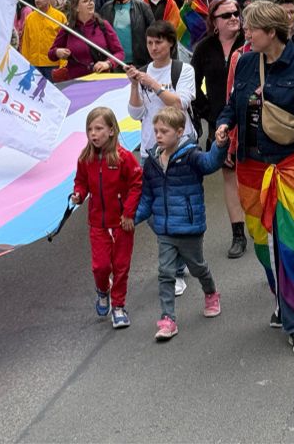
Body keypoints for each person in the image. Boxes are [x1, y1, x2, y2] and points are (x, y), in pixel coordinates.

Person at [216, 1, 294, 355]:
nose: (244, 34)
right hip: (253, 166)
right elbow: (232, 104)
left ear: (272, 32)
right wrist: (224, 124)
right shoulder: (246, 62)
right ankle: (281, 297)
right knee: (265, 245)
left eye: (251, 29)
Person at [134, 105, 227, 340]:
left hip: (189, 226)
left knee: (197, 267)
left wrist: (220, 145)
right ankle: (168, 319)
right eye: (156, 131)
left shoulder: (191, 156)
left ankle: (211, 292)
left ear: (179, 131)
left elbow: (210, 164)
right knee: (165, 273)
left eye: (164, 131)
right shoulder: (152, 163)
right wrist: (130, 218)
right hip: (164, 228)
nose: (158, 136)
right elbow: (147, 196)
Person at [71, 107, 142, 329]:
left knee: (121, 266)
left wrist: (129, 213)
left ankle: (119, 306)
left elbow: (136, 184)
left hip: (122, 223)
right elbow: (81, 181)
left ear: (111, 130)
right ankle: (103, 290)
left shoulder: (124, 158)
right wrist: (79, 194)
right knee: (101, 267)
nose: (94, 133)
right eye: (90, 129)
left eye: (99, 128)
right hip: (98, 224)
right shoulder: (85, 158)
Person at [191, 0, 248, 258]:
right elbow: (193, 86)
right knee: (229, 177)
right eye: (226, 15)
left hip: (251, 120)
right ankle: (238, 234)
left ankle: (266, 224)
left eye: (236, 13)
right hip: (220, 125)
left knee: (255, 174)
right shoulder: (204, 48)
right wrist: (209, 114)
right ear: (214, 22)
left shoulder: (250, 42)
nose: (234, 17)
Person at [126, 21, 196, 159]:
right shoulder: (142, 73)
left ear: (171, 43)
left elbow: (179, 104)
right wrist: (134, 86)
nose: (153, 48)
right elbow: (136, 114)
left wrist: (153, 84)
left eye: (158, 42)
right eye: (149, 43)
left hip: (181, 147)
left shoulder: (184, 70)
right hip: (150, 150)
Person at [49, 0, 124, 81]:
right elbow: (51, 54)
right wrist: (57, 52)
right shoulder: (67, 29)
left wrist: (108, 63)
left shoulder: (103, 25)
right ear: (76, 8)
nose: (90, 3)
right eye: (85, 1)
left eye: (91, 0)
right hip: (75, 81)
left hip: (101, 80)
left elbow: (119, 53)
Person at [100, 0, 154, 66]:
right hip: (114, 61)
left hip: (139, 60)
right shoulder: (106, 8)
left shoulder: (142, 7)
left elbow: (153, 31)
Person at [20, 0, 67, 81]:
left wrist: (63, 63)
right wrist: (25, 63)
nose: (37, 0)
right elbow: (26, 42)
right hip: (34, 65)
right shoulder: (30, 18)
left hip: (53, 64)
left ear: (49, 0)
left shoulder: (59, 17)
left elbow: (65, 42)